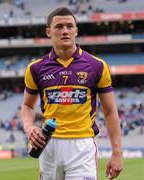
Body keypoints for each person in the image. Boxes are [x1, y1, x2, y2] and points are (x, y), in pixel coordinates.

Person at [20, 7, 123, 180]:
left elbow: (110, 111)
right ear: (48, 32)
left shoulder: (97, 66)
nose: (65, 31)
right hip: (48, 146)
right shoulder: (35, 68)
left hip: (82, 146)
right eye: (59, 26)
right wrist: (29, 127)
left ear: (76, 30)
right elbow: (27, 105)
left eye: (69, 26)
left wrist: (117, 152)